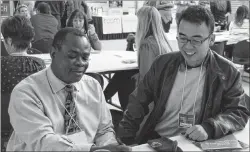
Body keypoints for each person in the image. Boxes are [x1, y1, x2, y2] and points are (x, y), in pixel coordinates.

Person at [117, 5, 249, 145]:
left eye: (196, 40)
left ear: (211, 39)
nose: (188, 46)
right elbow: (137, 103)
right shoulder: (162, 64)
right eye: (183, 38)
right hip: (158, 140)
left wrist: (210, 127)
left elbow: (239, 112)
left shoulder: (227, 72)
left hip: (195, 144)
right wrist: (125, 140)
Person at [6, 27, 131, 152]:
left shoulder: (93, 86)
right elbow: (43, 143)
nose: (80, 63)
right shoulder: (26, 92)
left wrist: (107, 148)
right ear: (53, 53)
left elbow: (104, 130)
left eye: (85, 57)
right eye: (72, 56)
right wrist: (92, 150)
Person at [104, 6, 173, 111]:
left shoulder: (147, 44)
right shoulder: (162, 41)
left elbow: (145, 78)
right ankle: (103, 99)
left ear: (142, 23)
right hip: (165, 88)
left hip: (153, 94)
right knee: (123, 75)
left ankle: (107, 102)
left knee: (122, 77)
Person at [1, 15, 46, 151]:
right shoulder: (40, 64)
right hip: (32, 127)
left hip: (5, 127)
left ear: (8, 40)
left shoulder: (1, 64)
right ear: (30, 41)